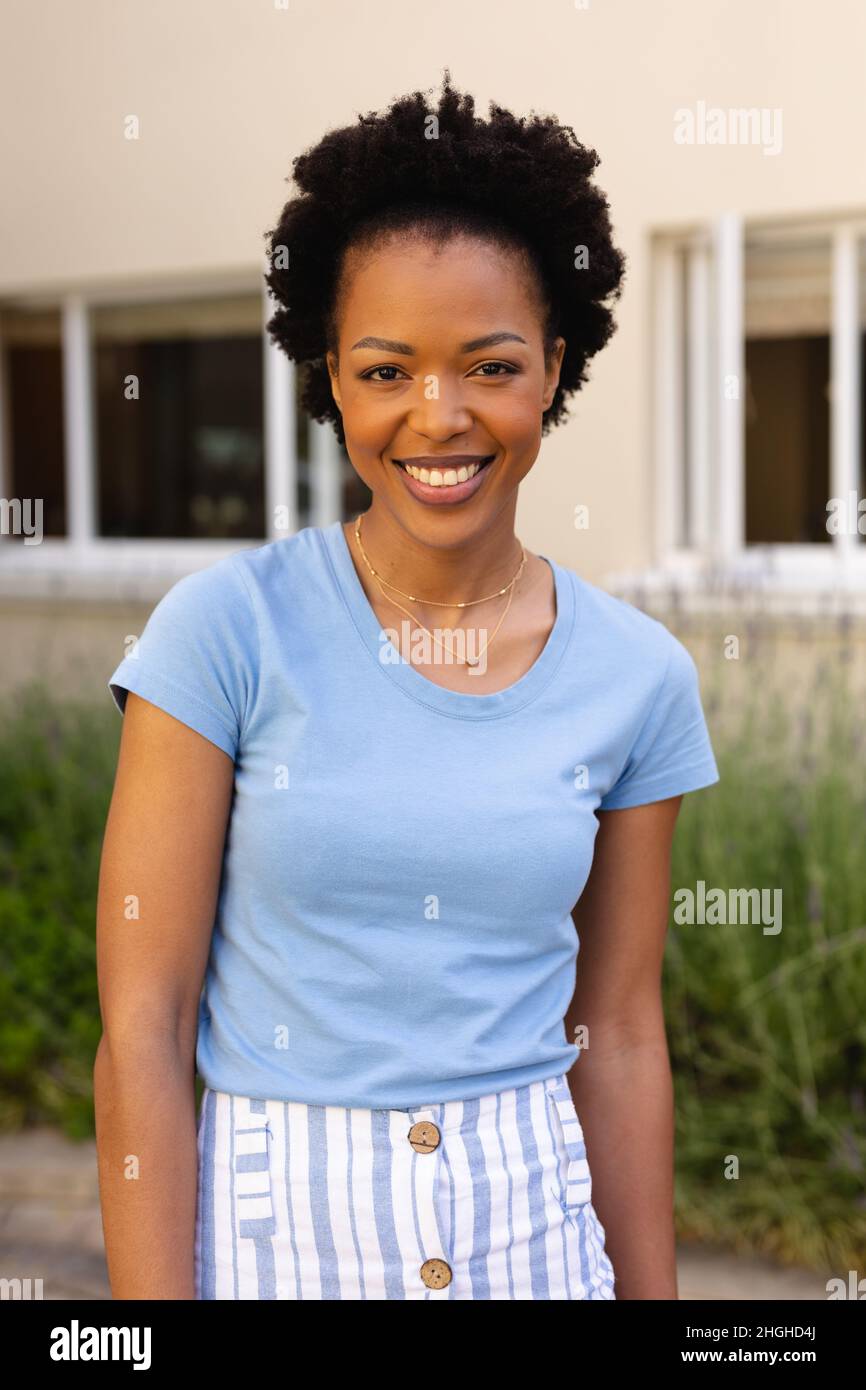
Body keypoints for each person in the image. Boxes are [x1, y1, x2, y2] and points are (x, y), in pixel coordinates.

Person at [94, 72, 719, 1301]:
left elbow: (622, 1035)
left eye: (487, 364)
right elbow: (145, 1032)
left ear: (552, 365)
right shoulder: (223, 634)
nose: (437, 416)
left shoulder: (638, 677)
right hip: (276, 1245)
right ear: (330, 377)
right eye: (385, 372)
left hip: (537, 1240)